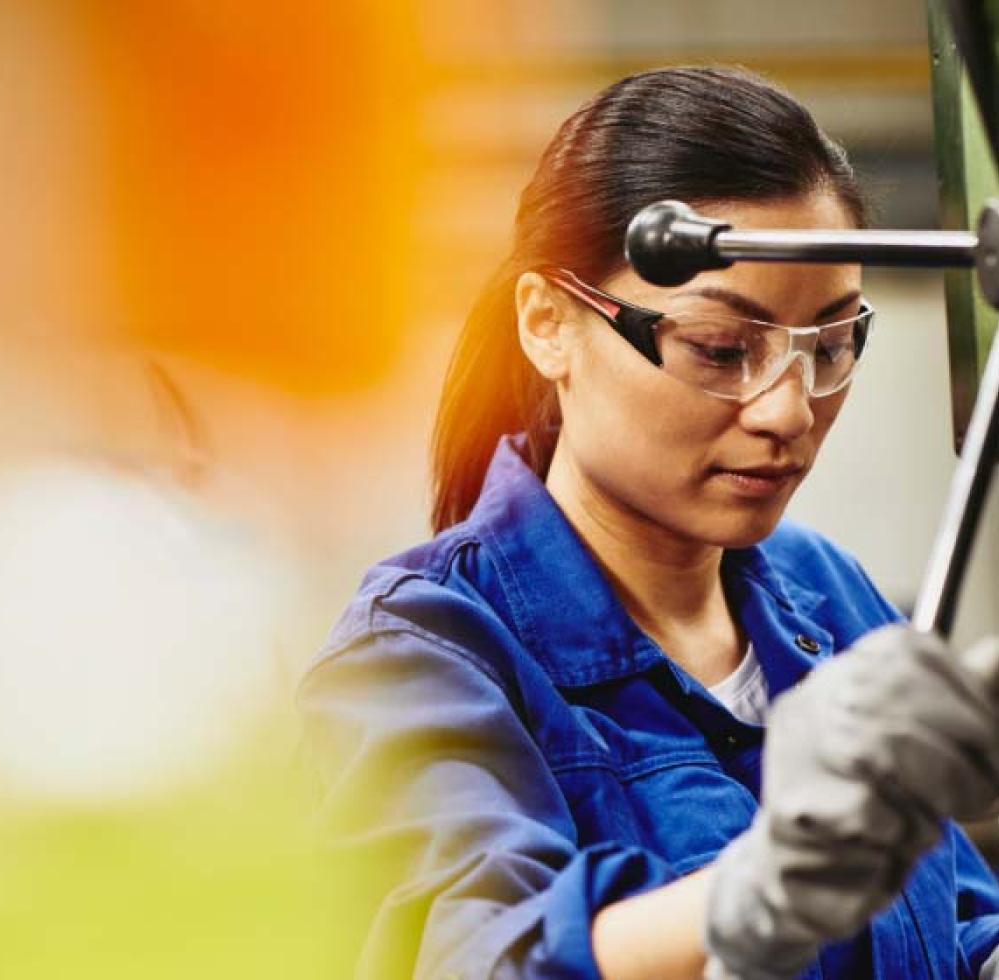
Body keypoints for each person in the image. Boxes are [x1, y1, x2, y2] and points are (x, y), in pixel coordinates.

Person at [298, 66, 999, 979]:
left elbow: (957, 926)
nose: (786, 413)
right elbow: (472, 955)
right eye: (719, 348)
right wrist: (752, 898)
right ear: (548, 322)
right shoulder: (421, 652)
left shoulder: (827, 594)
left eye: (828, 348)